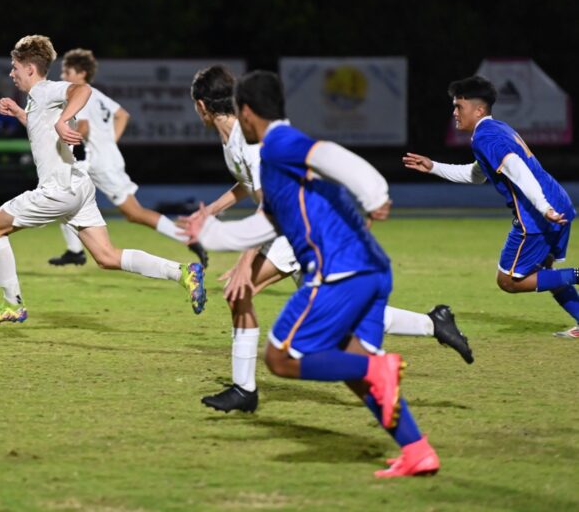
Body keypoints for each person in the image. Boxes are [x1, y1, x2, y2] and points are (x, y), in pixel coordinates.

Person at [183, 66, 472, 414]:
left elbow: (270, 207)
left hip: (293, 232)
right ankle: (433, 323)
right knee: (344, 316)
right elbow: (252, 186)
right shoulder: (234, 139)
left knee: (243, 295)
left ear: (202, 106)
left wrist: (245, 261)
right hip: (297, 231)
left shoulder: (252, 143)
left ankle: (245, 389)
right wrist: (213, 210)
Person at [238, 70, 440, 478]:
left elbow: (329, 155)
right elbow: (268, 219)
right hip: (369, 267)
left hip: (341, 269)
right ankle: (417, 450)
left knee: (282, 356)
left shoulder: (277, 143)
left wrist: (375, 193)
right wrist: (208, 230)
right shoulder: (273, 153)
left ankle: (381, 368)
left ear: (245, 112)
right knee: (354, 368)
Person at [0, 35, 205, 324]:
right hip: (78, 186)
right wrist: (22, 114)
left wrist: (63, 120)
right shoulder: (37, 100)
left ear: (30, 69)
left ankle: (12, 305)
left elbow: (82, 90)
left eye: (15, 67)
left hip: (58, 190)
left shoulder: (47, 90)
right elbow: (44, 130)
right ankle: (183, 272)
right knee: (107, 257)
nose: (12, 73)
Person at [404, 75, 579, 338]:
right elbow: (477, 175)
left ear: (479, 109)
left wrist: (543, 208)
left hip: (538, 214)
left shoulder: (485, 137)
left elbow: (517, 169)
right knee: (544, 273)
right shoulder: (497, 129)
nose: (454, 113)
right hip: (558, 201)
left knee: (509, 281)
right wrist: (434, 167)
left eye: (458, 107)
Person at [47, 48, 208, 268]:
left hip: (101, 163)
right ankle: (75, 251)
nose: (63, 76)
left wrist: (62, 141)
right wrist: (110, 142)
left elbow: (82, 127)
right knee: (65, 193)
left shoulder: (80, 92)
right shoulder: (96, 94)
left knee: (134, 213)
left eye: (67, 71)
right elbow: (122, 115)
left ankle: (188, 237)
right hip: (103, 158)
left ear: (81, 73)